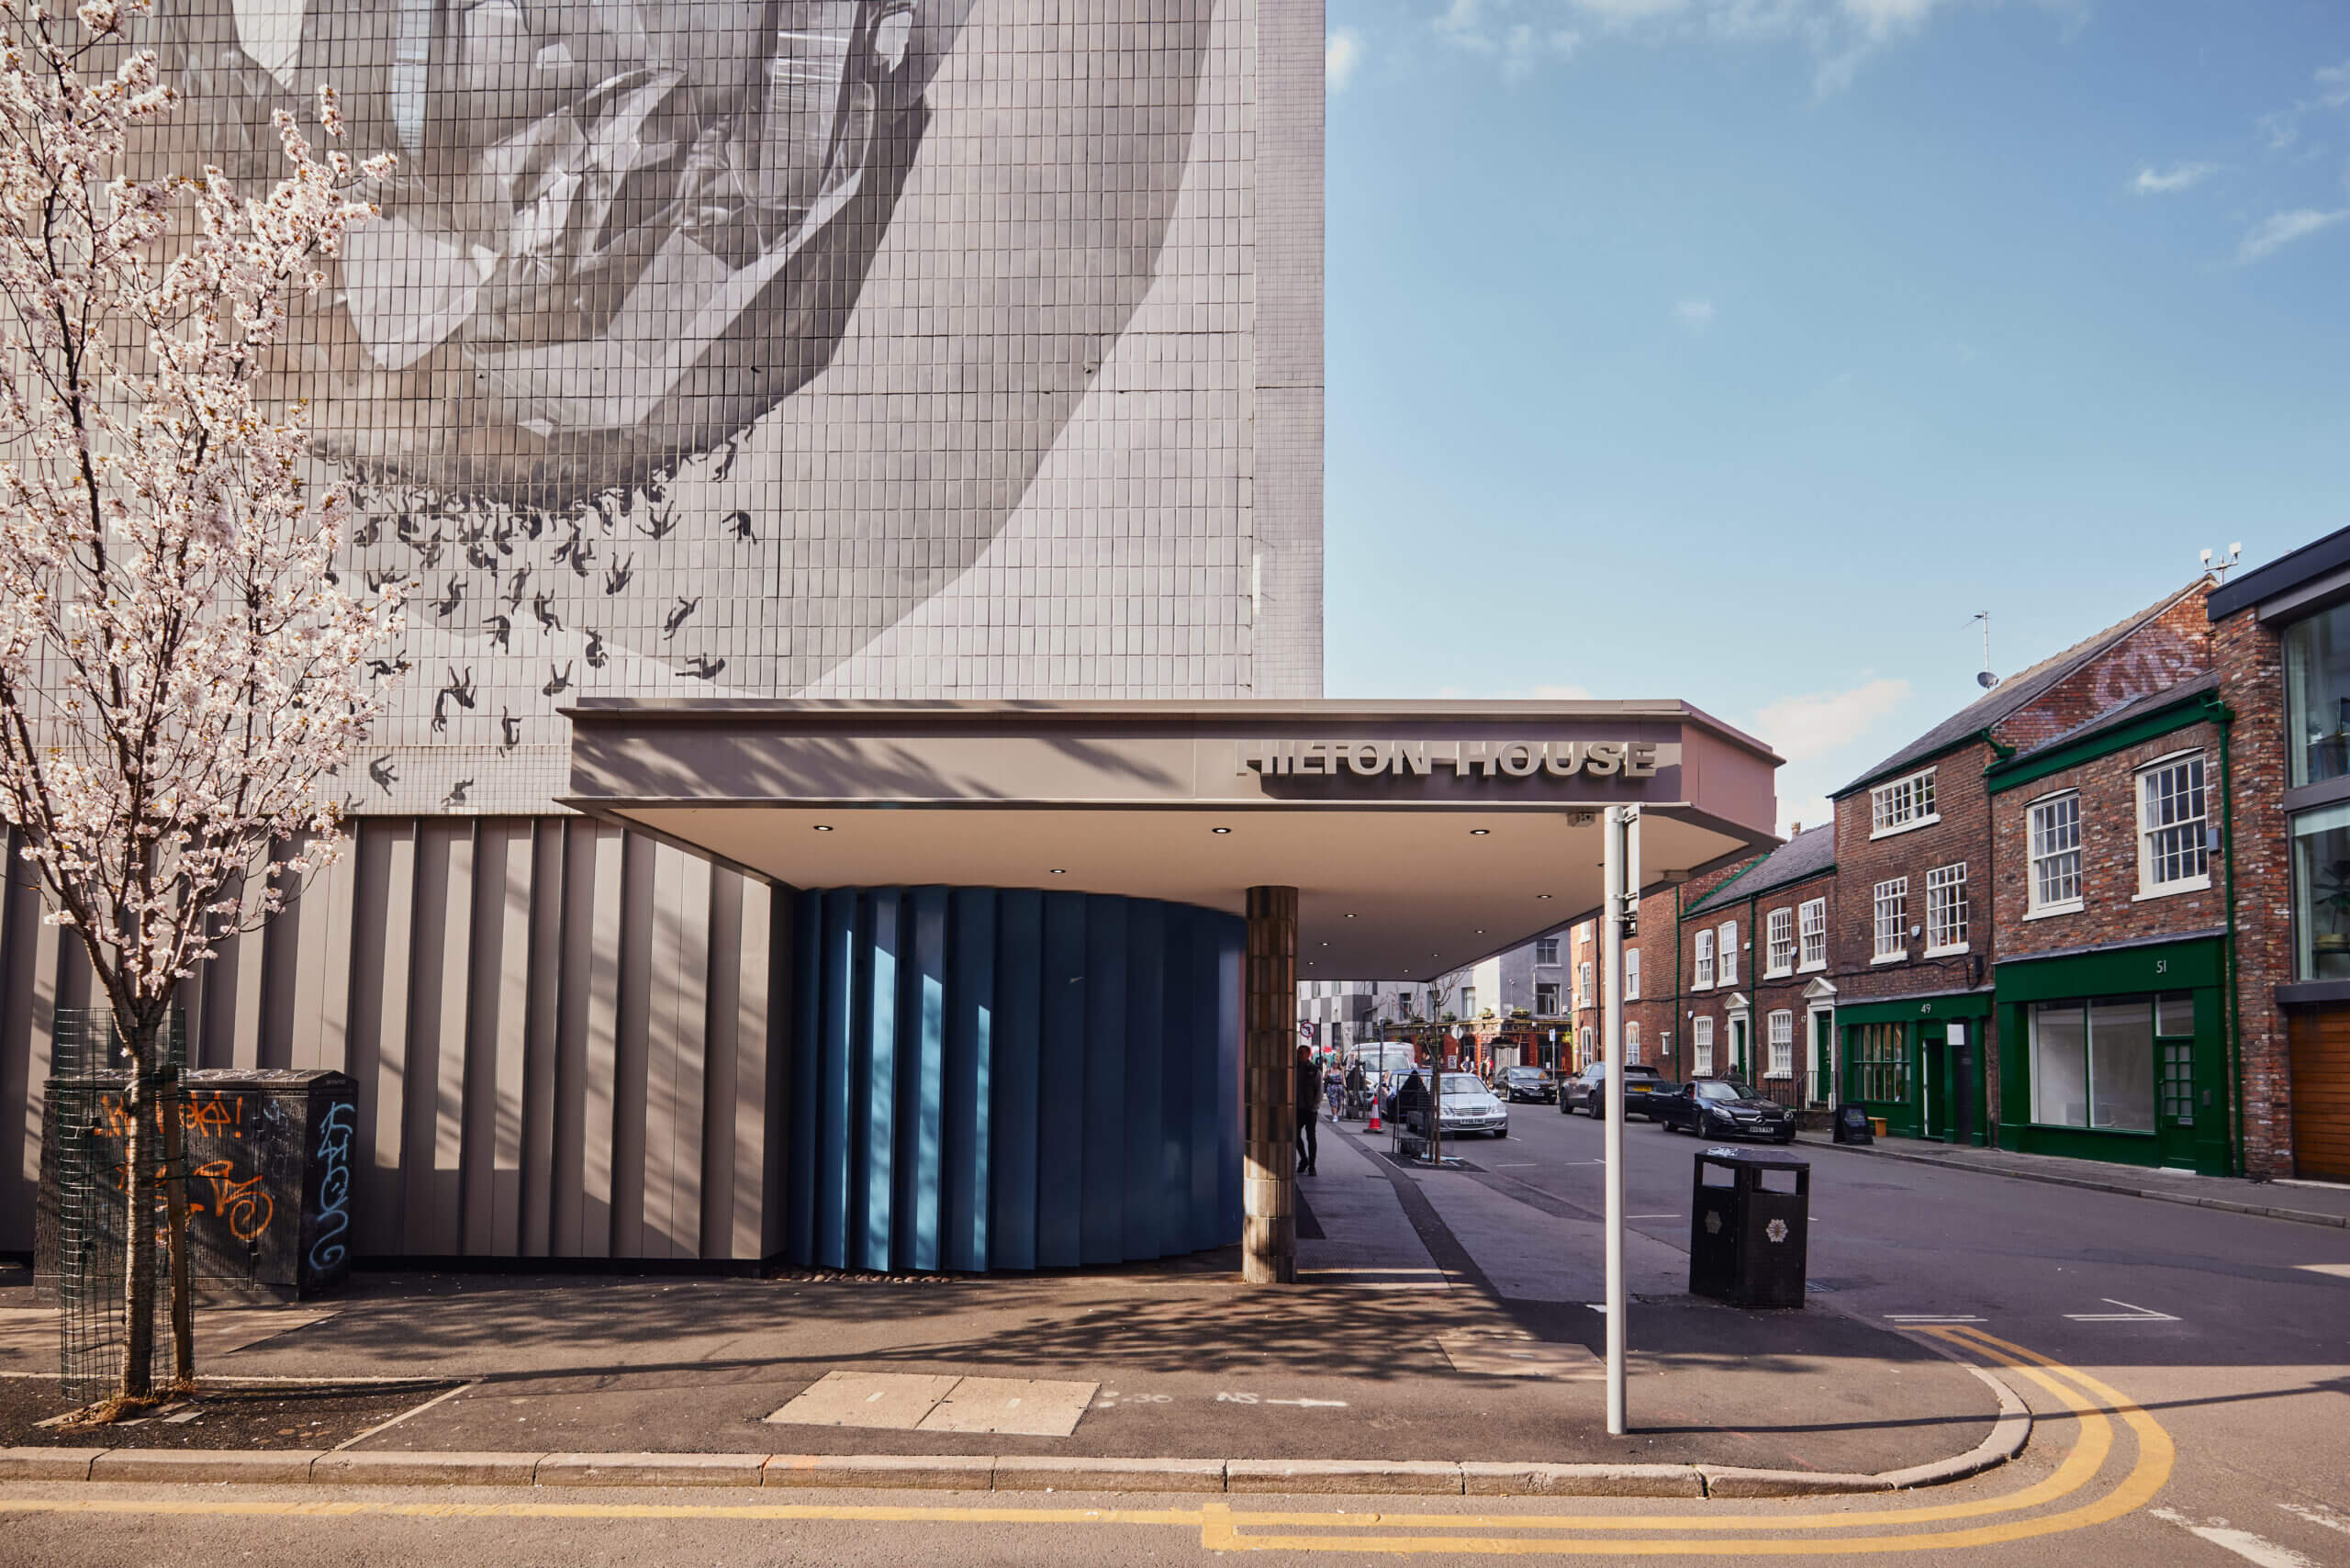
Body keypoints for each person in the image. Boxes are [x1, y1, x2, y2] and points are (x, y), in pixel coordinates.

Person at [1294, 1044, 1320, 1176]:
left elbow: (1319, 1090)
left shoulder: (1314, 1070)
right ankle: (1304, 1159)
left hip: (1310, 1110)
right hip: (1297, 1109)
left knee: (1311, 1137)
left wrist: (1314, 1106)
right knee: (1295, 1135)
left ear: (1307, 1055)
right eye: (1298, 1053)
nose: (1298, 1055)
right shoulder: (1294, 1067)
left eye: (1301, 1053)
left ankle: (1312, 1165)